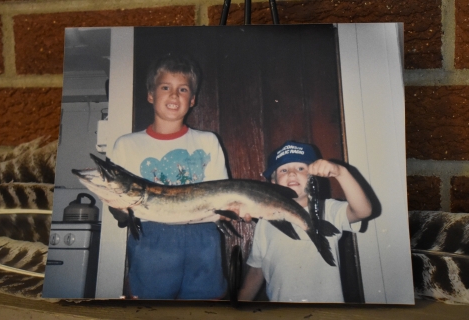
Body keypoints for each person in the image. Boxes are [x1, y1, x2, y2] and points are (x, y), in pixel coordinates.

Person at [109, 53, 229, 300]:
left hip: (203, 234)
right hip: (151, 236)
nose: (174, 95)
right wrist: (118, 208)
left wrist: (237, 209)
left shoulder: (208, 141)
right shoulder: (125, 145)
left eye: (183, 89)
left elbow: (223, 199)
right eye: (166, 87)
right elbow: (119, 212)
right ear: (151, 95)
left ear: (192, 100)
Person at [237, 141, 372, 302]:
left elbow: (363, 211)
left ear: (314, 177)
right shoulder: (265, 221)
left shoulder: (328, 210)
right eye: (284, 170)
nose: (292, 173)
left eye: (301, 168)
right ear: (273, 182)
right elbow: (256, 271)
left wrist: (341, 172)